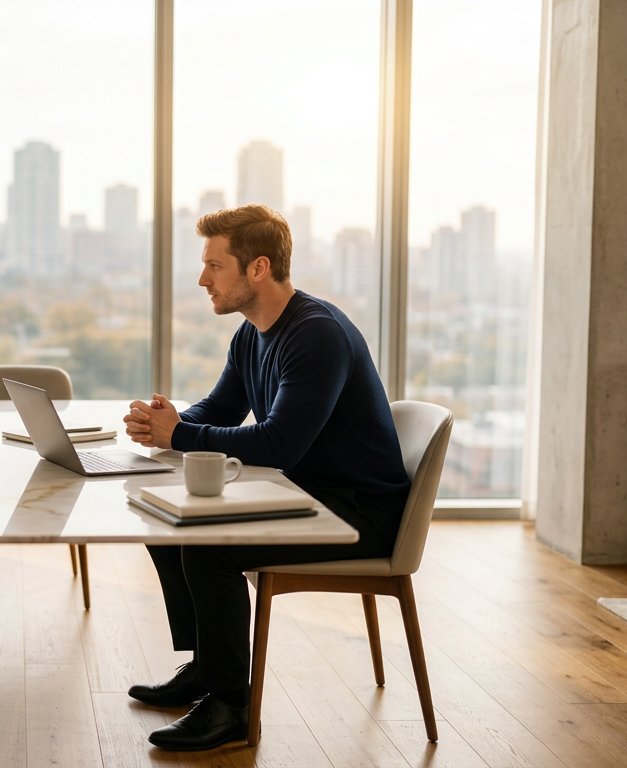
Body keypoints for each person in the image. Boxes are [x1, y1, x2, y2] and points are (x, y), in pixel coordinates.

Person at [123, 205, 411, 751]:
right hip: (312, 497)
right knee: (166, 517)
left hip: (357, 514)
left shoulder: (316, 335)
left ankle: (232, 706)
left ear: (257, 268)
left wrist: (178, 436)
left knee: (208, 547)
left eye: (214, 265)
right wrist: (171, 421)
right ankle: (211, 668)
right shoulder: (253, 333)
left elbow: (279, 443)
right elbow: (224, 410)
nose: (202, 278)